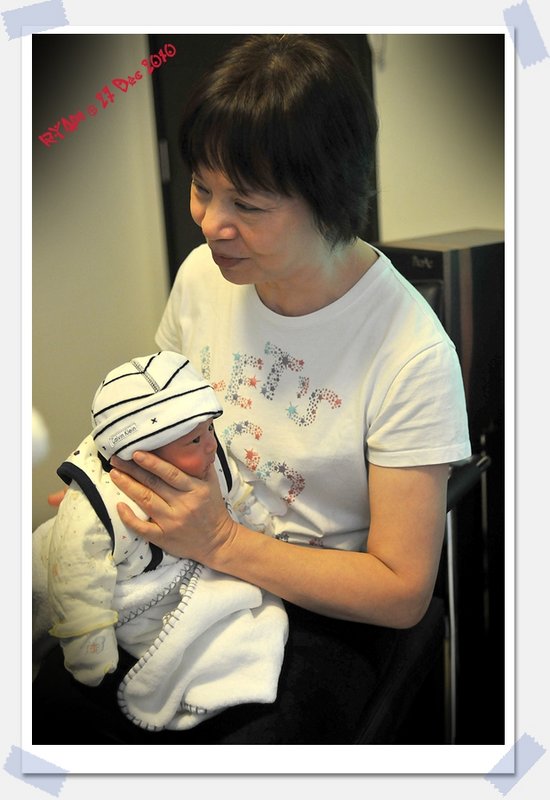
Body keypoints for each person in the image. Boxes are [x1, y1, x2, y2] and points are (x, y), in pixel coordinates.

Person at [34, 34, 471, 744]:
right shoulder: (203, 278)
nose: (212, 223)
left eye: (248, 203)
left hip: (318, 604)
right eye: (202, 188)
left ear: (328, 198)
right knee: (53, 704)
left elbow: (399, 591)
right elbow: (154, 416)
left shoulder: (410, 352)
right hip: (178, 562)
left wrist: (221, 540)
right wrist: (107, 487)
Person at [32, 351, 288, 733]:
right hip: (66, 569)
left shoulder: (209, 455)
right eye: (194, 440)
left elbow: (237, 495)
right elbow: (75, 574)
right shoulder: (98, 506)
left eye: (209, 430)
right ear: (143, 455)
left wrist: (261, 528)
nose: (210, 446)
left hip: (170, 564)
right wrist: (88, 644)